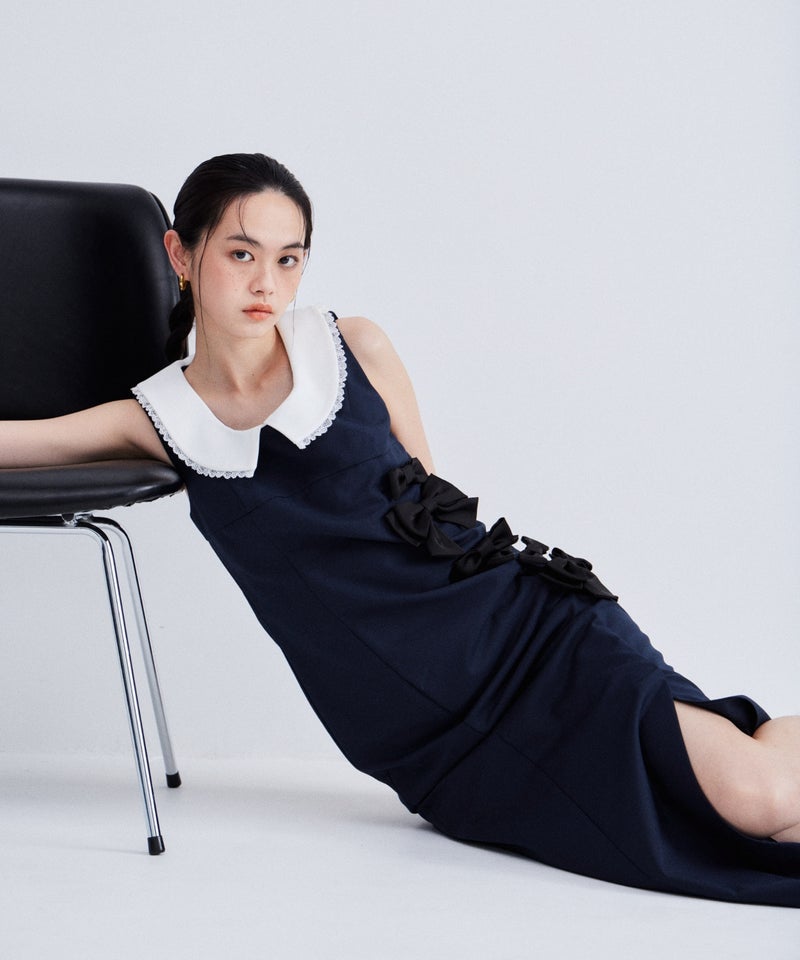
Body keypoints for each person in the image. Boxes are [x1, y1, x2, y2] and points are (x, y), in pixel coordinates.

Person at [1, 153, 799, 906]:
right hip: (427, 739)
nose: (267, 282)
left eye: (288, 258)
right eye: (241, 254)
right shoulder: (160, 419)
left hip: (529, 642)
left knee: (757, 802)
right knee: (731, 828)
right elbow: (20, 443)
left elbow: (437, 517)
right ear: (181, 254)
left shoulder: (352, 346)